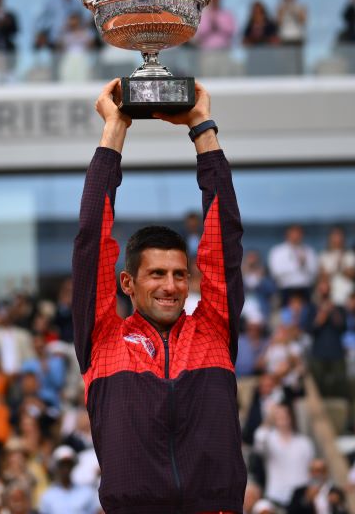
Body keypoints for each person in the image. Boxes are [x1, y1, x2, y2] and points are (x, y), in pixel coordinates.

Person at [71, 78, 247, 512]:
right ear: (127, 283)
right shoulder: (103, 340)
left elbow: (223, 235)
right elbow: (91, 242)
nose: (171, 286)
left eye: (179, 275)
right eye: (156, 274)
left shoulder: (214, 330)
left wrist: (202, 128)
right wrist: (114, 131)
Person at [254, 404, 315, 508]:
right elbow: (259, 441)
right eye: (278, 415)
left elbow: (311, 470)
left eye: (285, 414)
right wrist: (268, 419)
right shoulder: (268, 439)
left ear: (291, 416)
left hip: (299, 499)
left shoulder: (304, 442)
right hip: (275, 497)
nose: (282, 418)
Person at [38, 446, 100, 514]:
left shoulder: (86, 492)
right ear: (56, 467)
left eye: (68, 464)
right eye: (62, 465)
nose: (65, 469)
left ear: (72, 466)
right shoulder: (48, 496)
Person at [268, 224, 318, 303]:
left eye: (299, 234)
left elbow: (314, 272)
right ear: (287, 235)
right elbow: (275, 272)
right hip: (285, 289)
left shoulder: (309, 251)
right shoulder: (277, 251)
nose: (296, 236)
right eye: (293, 234)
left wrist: (304, 264)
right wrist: (296, 266)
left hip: (305, 289)